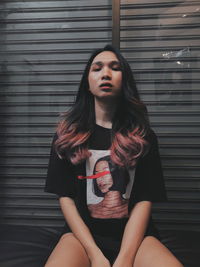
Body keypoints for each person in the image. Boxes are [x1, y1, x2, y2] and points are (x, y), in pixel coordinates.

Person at [44, 45, 183, 267]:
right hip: (81, 237)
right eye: (97, 68)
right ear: (87, 83)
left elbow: (143, 200)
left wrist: (126, 258)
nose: (105, 74)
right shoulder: (67, 136)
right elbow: (66, 198)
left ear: (124, 80)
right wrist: (94, 254)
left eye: (114, 68)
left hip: (136, 238)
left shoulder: (144, 137)